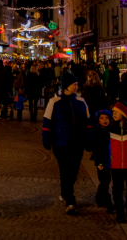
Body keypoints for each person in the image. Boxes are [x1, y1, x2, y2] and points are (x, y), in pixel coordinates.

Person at [42, 73, 91, 215]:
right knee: (65, 170)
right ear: (66, 86)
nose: (77, 86)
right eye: (74, 84)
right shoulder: (54, 102)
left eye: (76, 84)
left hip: (78, 144)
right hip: (61, 144)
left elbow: (88, 123)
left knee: (73, 172)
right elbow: (47, 122)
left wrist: (88, 139)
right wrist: (46, 139)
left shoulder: (81, 102)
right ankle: (70, 201)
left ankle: (64, 192)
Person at [91, 109, 114, 213]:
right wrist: (99, 162)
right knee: (104, 182)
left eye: (107, 118)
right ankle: (108, 203)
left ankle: (98, 198)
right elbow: (97, 149)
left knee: (105, 181)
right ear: (98, 120)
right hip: (101, 161)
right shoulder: (97, 133)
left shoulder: (112, 131)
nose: (105, 120)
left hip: (110, 160)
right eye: (102, 118)